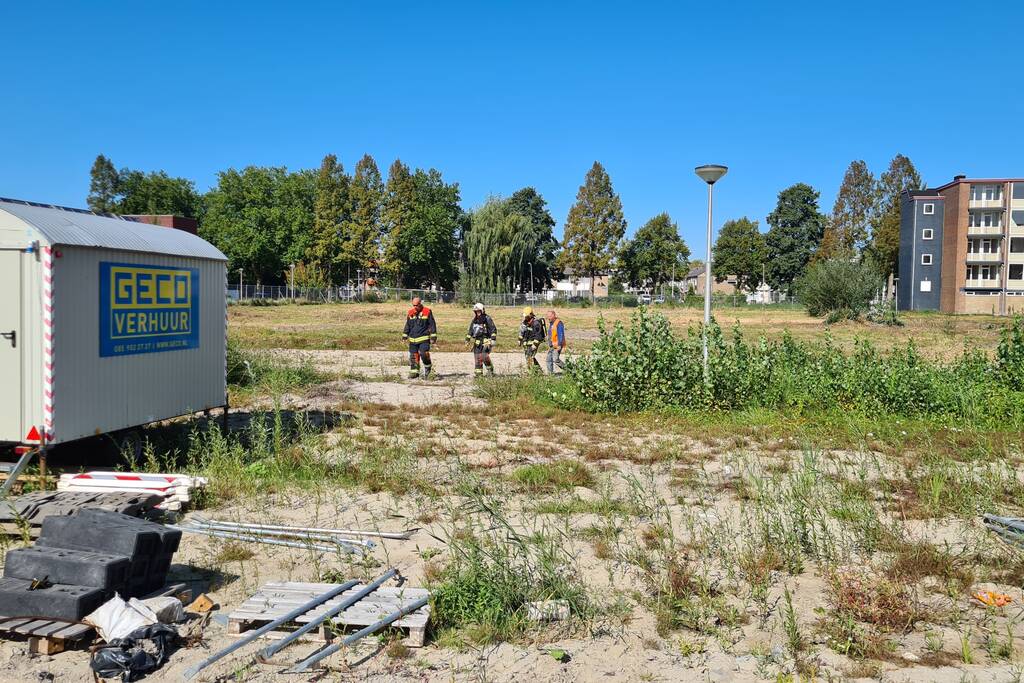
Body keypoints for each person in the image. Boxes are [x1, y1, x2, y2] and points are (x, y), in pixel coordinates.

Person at [402, 296, 437, 379]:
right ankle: (414, 372)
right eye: (413, 305)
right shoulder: (410, 312)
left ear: (420, 304)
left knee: (423, 354)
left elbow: (432, 324)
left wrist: (433, 337)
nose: (414, 307)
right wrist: (404, 335)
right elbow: (408, 325)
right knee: (413, 356)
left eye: (416, 305)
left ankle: (428, 368)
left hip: (424, 338)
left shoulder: (427, 311)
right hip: (413, 339)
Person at [465, 302, 497, 377]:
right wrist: (467, 339)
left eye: (479, 311)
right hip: (477, 342)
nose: (477, 313)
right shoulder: (474, 320)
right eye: (476, 311)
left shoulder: (487, 319)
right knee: (477, 357)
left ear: (482, 311)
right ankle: (478, 375)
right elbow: (470, 331)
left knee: (484, 356)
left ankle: (490, 370)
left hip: (486, 341)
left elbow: (493, 329)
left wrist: (492, 339)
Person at [517, 306, 545, 373]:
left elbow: (539, 335)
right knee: (529, 356)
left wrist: (535, 344)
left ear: (530, 315)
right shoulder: (525, 322)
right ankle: (539, 371)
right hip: (527, 343)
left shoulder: (536, 323)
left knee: (529, 356)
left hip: (534, 343)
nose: (525, 317)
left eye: (526, 316)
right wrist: (520, 340)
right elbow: (522, 332)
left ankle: (531, 371)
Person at [545, 309, 565, 374]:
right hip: (552, 345)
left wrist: (559, 344)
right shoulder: (551, 323)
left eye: (550, 316)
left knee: (556, 360)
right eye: (547, 316)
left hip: (557, 345)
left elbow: (560, 334)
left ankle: (569, 370)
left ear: (554, 315)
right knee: (548, 360)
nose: (548, 318)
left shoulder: (558, 323)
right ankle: (550, 374)